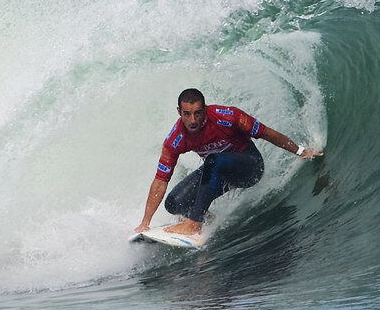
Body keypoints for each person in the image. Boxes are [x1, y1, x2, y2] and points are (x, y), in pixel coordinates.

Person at [134, 88, 322, 236]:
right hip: (219, 174)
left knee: (213, 160)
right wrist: (145, 223)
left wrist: (300, 151)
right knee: (174, 204)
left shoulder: (228, 117)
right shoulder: (175, 139)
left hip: (250, 167)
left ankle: (194, 224)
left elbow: (266, 133)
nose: (193, 120)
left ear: (205, 110)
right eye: (187, 114)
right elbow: (160, 180)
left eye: (198, 113)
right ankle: (207, 220)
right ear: (179, 112)